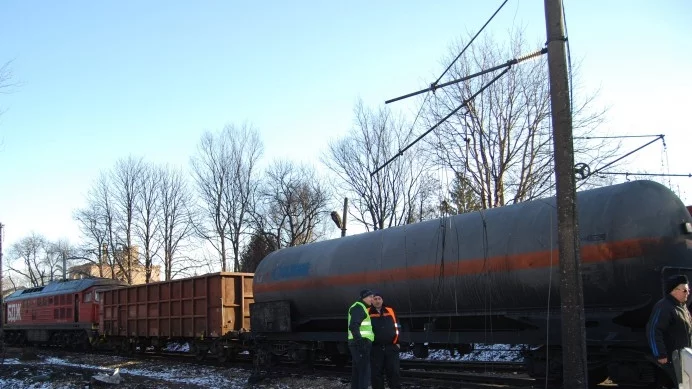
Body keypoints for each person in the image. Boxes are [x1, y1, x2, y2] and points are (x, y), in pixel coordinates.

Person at [646, 274, 692, 387]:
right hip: (670, 359)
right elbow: (653, 330)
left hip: (683, 357)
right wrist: (660, 354)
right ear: (674, 290)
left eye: (688, 290)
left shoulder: (682, 307)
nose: (688, 293)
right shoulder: (664, 307)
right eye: (685, 290)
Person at [369, 292, 401, 389]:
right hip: (375, 348)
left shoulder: (390, 311)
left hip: (391, 347)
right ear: (372, 301)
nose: (377, 301)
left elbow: (397, 326)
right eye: (375, 299)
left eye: (379, 299)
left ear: (382, 300)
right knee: (376, 374)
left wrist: (398, 342)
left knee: (394, 373)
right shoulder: (367, 312)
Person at [348, 289, 375, 389]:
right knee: (364, 373)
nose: (372, 299)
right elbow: (353, 326)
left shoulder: (360, 307)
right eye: (370, 297)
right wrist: (361, 343)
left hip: (357, 343)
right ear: (364, 297)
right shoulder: (359, 307)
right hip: (360, 343)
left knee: (357, 373)